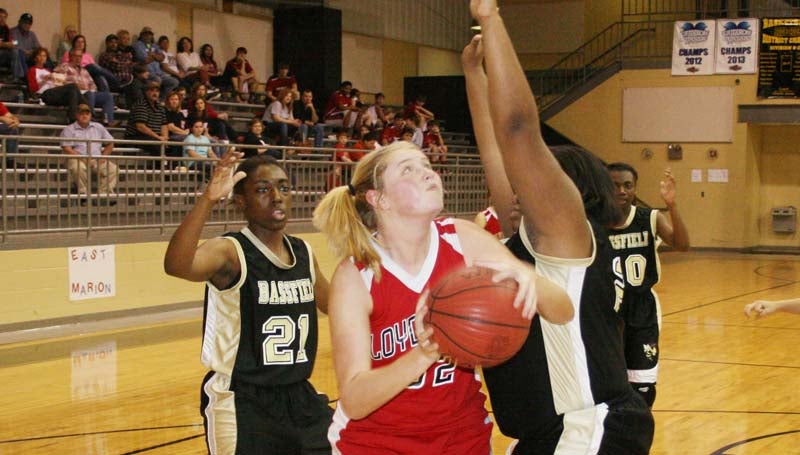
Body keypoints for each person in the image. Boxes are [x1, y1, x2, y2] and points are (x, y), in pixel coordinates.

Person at [463, 1, 653, 453]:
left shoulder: (566, 235)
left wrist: (492, 20)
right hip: (549, 433)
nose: (517, 181)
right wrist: (474, 74)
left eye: (530, 177)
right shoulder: (528, 235)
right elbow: (495, 149)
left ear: (566, 190)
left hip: (585, 427)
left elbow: (517, 130)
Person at [311, 140, 574, 454]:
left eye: (426, 165)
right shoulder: (356, 276)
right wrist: (427, 351)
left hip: (462, 436)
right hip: (376, 443)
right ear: (378, 198)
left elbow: (564, 310)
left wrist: (530, 279)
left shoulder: (463, 238)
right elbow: (354, 400)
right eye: (408, 169)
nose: (427, 174)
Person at [164, 151, 334, 454]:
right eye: (263, 189)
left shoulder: (304, 252)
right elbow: (177, 265)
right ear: (241, 202)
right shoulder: (230, 251)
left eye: (283, 187)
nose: (277, 196)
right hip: (243, 400)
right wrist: (208, 199)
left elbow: (335, 305)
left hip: (300, 397)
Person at [607, 162, 690, 407]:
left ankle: (636, 431)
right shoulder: (592, 222)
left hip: (641, 308)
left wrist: (672, 205)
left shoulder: (650, 218)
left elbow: (682, 245)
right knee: (608, 381)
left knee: (643, 384)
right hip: (606, 308)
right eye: (614, 185)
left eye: (627, 185)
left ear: (635, 189)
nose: (621, 190)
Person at [60, 103, 117, 204]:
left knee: (112, 169)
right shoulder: (69, 129)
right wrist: (83, 159)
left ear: (90, 115)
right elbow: (67, 148)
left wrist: (103, 157)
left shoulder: (98, 127)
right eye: (81, 113)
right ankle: (83, 193)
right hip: (77, 158)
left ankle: (103, 196)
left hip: (96, 159)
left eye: (87, 113)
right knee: (78, 167)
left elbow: (110, 143)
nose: (84, 115)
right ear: (76, 115)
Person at [26, 47, 85, 123]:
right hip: (43, 94)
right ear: (35, 58)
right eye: (40, 55)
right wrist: (45, 80)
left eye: (44, 56)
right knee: (73, 86)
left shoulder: (47, 70)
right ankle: (88, 113)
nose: (42, 58)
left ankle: (72, 119)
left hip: (54, 94)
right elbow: (33, 89)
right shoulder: (32, 70)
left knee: (73, 92)